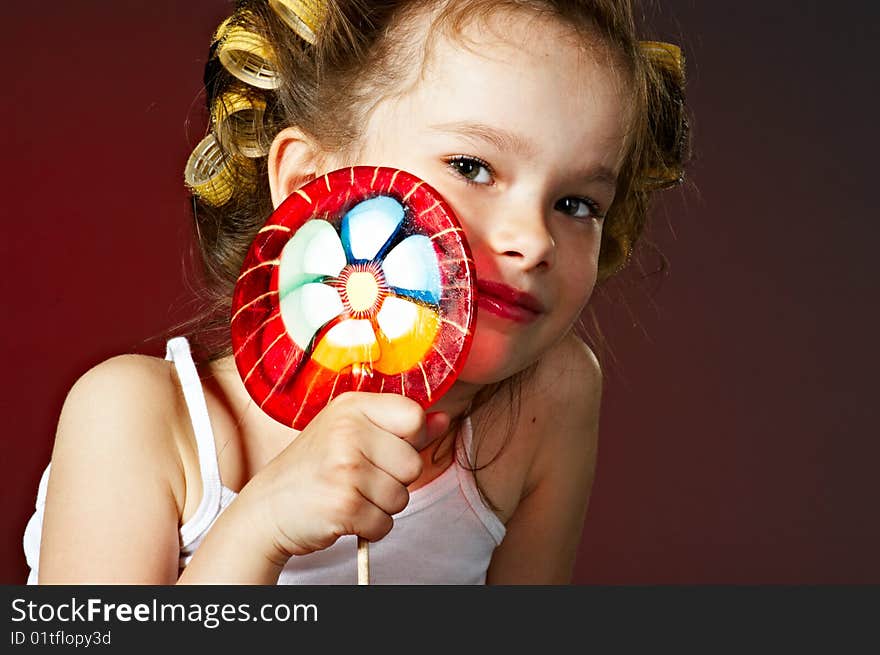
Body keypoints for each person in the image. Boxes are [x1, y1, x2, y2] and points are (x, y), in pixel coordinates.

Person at [23, 0, 688, 584]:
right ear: (312, 177)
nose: (534, 239)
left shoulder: (550, 402)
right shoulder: (138, 420)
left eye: (575, 202)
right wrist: (259, 527)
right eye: (472, 166)